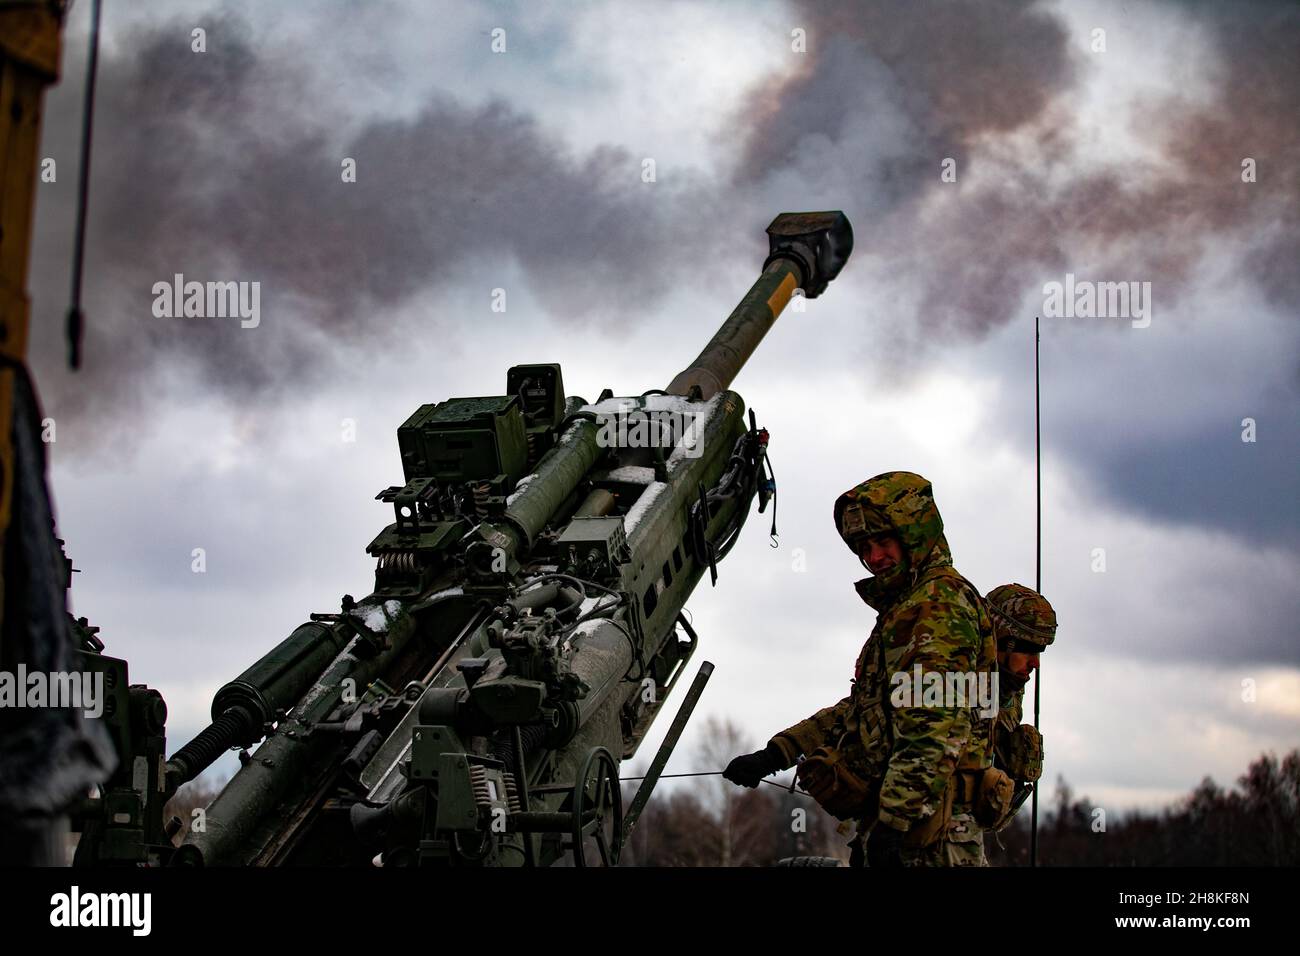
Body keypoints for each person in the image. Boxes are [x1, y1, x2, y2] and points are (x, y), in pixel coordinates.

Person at [723, 472, 999, 866]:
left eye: (884, 542)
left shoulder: (937, 606)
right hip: (910, 827)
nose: (874, 557)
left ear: (915, 536)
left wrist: (894, 824)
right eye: (865, 547)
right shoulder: (908, 607)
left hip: (930, 841)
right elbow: (862, 710)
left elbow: (935, 728)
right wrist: (775, 755)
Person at [982, 583, 1056, 835]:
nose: (1035, 663)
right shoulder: (954, 683)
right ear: (1001, 641)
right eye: (1029, 649)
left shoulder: (1011, 687)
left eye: (1041, 652)